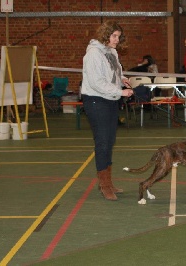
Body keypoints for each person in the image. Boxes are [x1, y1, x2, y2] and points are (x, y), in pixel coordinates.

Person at [81, 20, 133, 201]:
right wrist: (121, 91)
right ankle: (104, 186)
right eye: (114, 36)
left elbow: (113, 74)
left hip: (110, 100)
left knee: (109, 141)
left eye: (119, 36)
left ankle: (108, 183)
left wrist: (122, 80)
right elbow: (97, 82)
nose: (117, 40)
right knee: (102, 143)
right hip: (96, 101)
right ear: (105, 34)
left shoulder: (112, 52)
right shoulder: (93, 54)